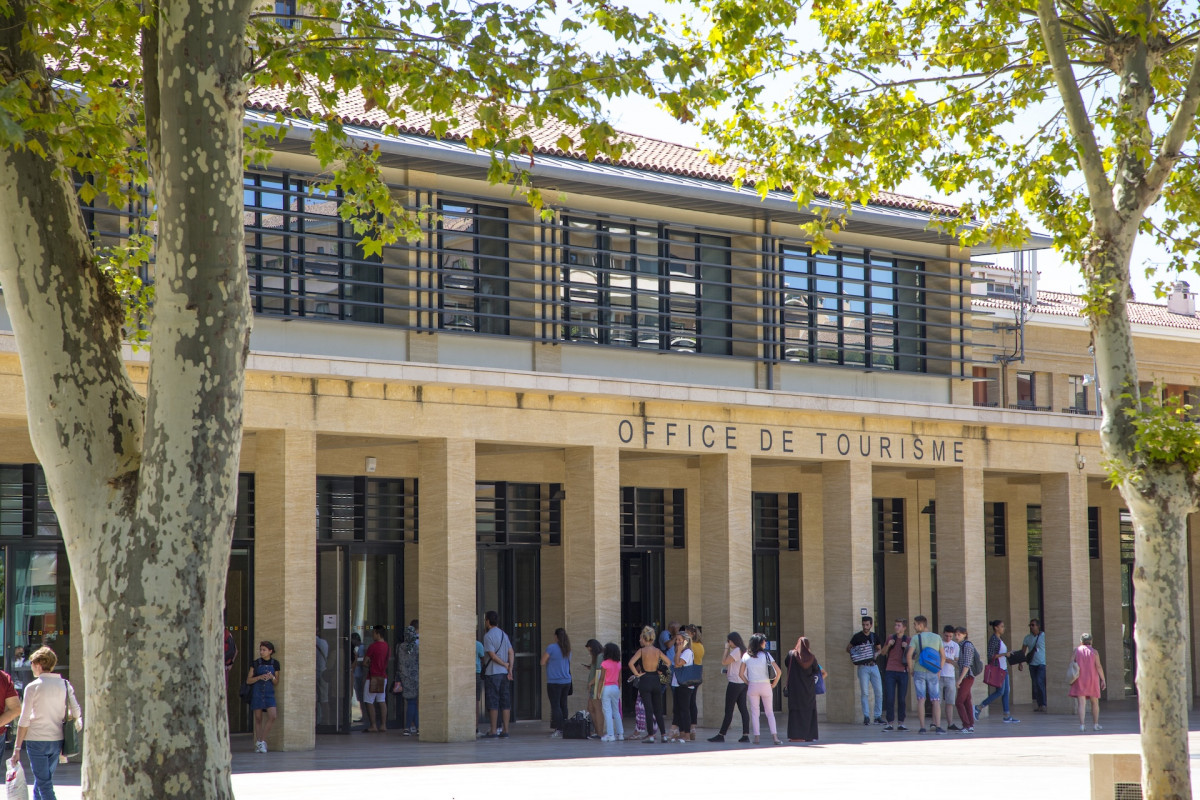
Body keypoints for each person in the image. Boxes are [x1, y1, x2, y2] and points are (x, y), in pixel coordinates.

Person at [10, 647, 77, 800]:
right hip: (57, 740)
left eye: (32, 663)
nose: (31, 666)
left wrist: (17, 748)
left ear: (39, 664)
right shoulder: (65, 684)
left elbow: (24, 720)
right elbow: (77, 712)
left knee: (44, 784)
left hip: (36, 740)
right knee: (42, 781)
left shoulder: (33, 687)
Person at [628, 625, 671, 744]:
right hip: (655, 679)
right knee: (658, 709)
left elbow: (631, 663)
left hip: (645, 679)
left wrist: (637, 674)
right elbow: (668, 662)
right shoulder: (657, 651)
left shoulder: (641, 651)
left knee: (648, 709)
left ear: (644, 638)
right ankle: (664, 735)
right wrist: (661, 669)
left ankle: (651, 735)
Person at [739, 633, 781, 745]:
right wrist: (774, 684)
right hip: (766, 685)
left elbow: (741, 674)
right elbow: (779, 672)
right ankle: (775, 737)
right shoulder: (766, 655)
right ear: (760, 643)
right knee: (769, 712)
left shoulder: (746, 656)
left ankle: (756, 737)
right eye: (764, 641)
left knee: (754, 712)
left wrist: (748, 683)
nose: (765, 643)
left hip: (753, 686)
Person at [708, 632, 751, 743]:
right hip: (742, 683)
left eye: (729, 641)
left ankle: (721, 735)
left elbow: (724, 662)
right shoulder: (744, 651)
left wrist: (726, 648)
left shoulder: (736, 651)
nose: (728, 643)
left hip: (734, 683)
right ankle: (745, 735)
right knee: (743, 709)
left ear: (733, 641)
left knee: (729, 710)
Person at [906, 615, 945, 734]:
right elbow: (943, 656)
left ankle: (922, 727)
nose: (914, 626)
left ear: (921, 625)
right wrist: (939, 670)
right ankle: (938, 726)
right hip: (933, 671)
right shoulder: (937, 637)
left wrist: (911, 669)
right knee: (935, 700)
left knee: (921, 699)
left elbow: (909, 655)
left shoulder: (916, 638)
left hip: (919, 670)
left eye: (915, 624)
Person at [977, 619, 1020, 723]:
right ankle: (979, 707)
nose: (1003, 628)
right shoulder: (993, 639)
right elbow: (990, 655)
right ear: (996, 628)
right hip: (998, 669)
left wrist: (1009, 653)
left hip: (1004, 669)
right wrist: (1004, 654)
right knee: (1000, 691)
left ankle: (1007, 715)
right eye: (1001, 626)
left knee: (1006, 692)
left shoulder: (1000, 639)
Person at [482, 610, 515, 738]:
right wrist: (509, 668)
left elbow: (492, 655)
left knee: (493, 702)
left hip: (493, 673)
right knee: (505, 701)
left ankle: (493, 730)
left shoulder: (488, 636)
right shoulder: (503, 634)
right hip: (504, 674)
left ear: (488, 621)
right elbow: (511, 652)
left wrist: (504, 664)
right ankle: (506, 730)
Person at [784, 636, 823, 742]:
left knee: (795, 713)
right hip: (808, 690)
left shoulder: (791, 655)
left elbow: (786, 664)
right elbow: (816, 670)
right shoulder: (812, 657)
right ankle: (809, 736)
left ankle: (796, 736)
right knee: (809, 712)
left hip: (795, 689)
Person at [846, 615, 883, 725]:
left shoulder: (874, 636)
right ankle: (866, 716)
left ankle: (877, 716)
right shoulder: (857, 637)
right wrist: (858, 653)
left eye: (867, 625)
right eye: (863, 625)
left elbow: (879, 649)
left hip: (874, 666)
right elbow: (848, 648)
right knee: (865, 693)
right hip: (863, 667)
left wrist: (876, 654)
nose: (865, 627)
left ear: (871, 625)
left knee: (879, 692)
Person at [1069, 633, 1107, 731]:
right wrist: (1103, 679)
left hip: (1079, 679)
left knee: (1081, 703)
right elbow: (1098, 666)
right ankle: (1095, 724)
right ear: (1091, 641)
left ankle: (1082, 725)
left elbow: (1071, 663)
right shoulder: (1094, 652)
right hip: (1092, 679)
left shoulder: (1076, 651)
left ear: (1081, 641)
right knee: (1095, 702)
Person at [247, 641, 279, 752]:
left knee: (273, 715)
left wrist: (271, 677)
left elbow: (276, 682)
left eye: (264, 650)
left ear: (270, 651)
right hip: (257, 692)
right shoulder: (255, 663)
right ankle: (259, 743)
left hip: (269, 693)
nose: (261, 652)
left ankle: (261, 741)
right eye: (260, 649)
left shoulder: (275, 663)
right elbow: (248, 680)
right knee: (258, 718)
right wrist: (259, 677)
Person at [541, 627, 572, 738]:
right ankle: (565, 728)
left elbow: (542, 662)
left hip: (554, 681)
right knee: (563, 704)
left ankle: (559, 729)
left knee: (555, 705)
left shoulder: (551, 647)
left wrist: (551, 661)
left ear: (556, 636)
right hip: (566, 681)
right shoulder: (568, 649)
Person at [880, 618, 910, 731]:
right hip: (890, 671)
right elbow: (883, 653)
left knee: (902, 698)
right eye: (895, 625)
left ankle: (901, 723)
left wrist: (906, 647)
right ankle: (890, 723)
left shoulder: (908, 639)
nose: (896, 627)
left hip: (903, 671)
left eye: (899, 625)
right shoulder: (890, 638)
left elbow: (913, 656)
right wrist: (888, 645)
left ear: (904, 628)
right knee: (890, 698)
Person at [363, 625, 390, 733]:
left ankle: (373, 725)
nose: (372, 635)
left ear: (378, 634)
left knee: (369, 700)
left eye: (373, 633)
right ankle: (383, 725)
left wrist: (369, 664)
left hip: (373, 677)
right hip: (383, 676)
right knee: (381, 700)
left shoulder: (373, 646)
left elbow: (365, 662)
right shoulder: (387, 646)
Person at [669, 631, 695, 742]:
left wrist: (679, 650)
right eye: (677, 640)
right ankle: (682, 732)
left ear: (686, 641)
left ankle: (687, 734)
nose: (678, 642)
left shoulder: (687, 652)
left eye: (680, 640)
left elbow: (678, 664)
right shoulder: (680, 651)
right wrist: (678, 651)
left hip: (684, 685)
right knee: (678, 709)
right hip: (677, 683)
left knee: (684, 710)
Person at [598, 642, 624, 742]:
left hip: (606, 688)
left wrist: (598, 692)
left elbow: (601, 679)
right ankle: (620, 734)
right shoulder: (618, 664)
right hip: (615, 688)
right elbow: (620, 679)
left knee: (608, 712)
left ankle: (610, 735)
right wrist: (618, 689)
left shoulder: (604, 664)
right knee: (616, 711)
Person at [396, 624, 419, 736]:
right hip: (415, 678)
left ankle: (417, 727)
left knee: (411, 702)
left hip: (404, 677)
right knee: (412, 703)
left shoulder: (400, 647)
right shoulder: (416, 647)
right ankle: (408, 727)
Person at [953, 626, 977, 733]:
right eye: (956, 634)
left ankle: (966, 725)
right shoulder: (960, 646)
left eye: (959, 634)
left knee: (959, 702)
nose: (956, 636)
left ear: (965, 635)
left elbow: (967, 665)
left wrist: (960, 679)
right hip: (966, 677)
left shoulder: (967, 645)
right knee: (967, 701)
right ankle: (970, 725)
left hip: (967, 677)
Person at [1021, 619, 1047, 712]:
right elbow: (1023, 651)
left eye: (1033, 625)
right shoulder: (1027, 638)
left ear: (1038, 626)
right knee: (1035, 684)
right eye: (1030, 625)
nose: (1031, 627)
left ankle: (1043, 704)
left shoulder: (1044, 636)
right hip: (1032, 664)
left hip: (1042, 664)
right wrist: (1020, 663)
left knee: (1040, 682)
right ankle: (1039, 705)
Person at [583, 639, 606, 739]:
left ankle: (600, 732)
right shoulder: (598, 657)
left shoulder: (600, 657)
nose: (589, 651)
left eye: (589, 649)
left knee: (597, 708)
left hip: (596, 687)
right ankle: (597, 731)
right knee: (590, 708)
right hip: (594, 687)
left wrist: (591, 683)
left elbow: (599, 673)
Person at [940, 625, 959, 730]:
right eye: (946, 636)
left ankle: (950, 723)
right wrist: (948, 660)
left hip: (950, 675)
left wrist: (946, 659)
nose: (948, 638)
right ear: (943, 633)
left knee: (950, 701)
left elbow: (956, 661)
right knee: (936, 701)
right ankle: (935, 723)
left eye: (950, 636)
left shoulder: (955, 646)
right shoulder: (939, 643)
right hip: (939, 674)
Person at [686, 625, 704, 731]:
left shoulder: (689, 646)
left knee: (687, 701)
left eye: (687, 633)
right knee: (692, 700)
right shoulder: (701, 645)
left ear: (692, 634)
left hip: (689, 673)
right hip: (698, 673)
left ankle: (687, 726)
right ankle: (693, 726)